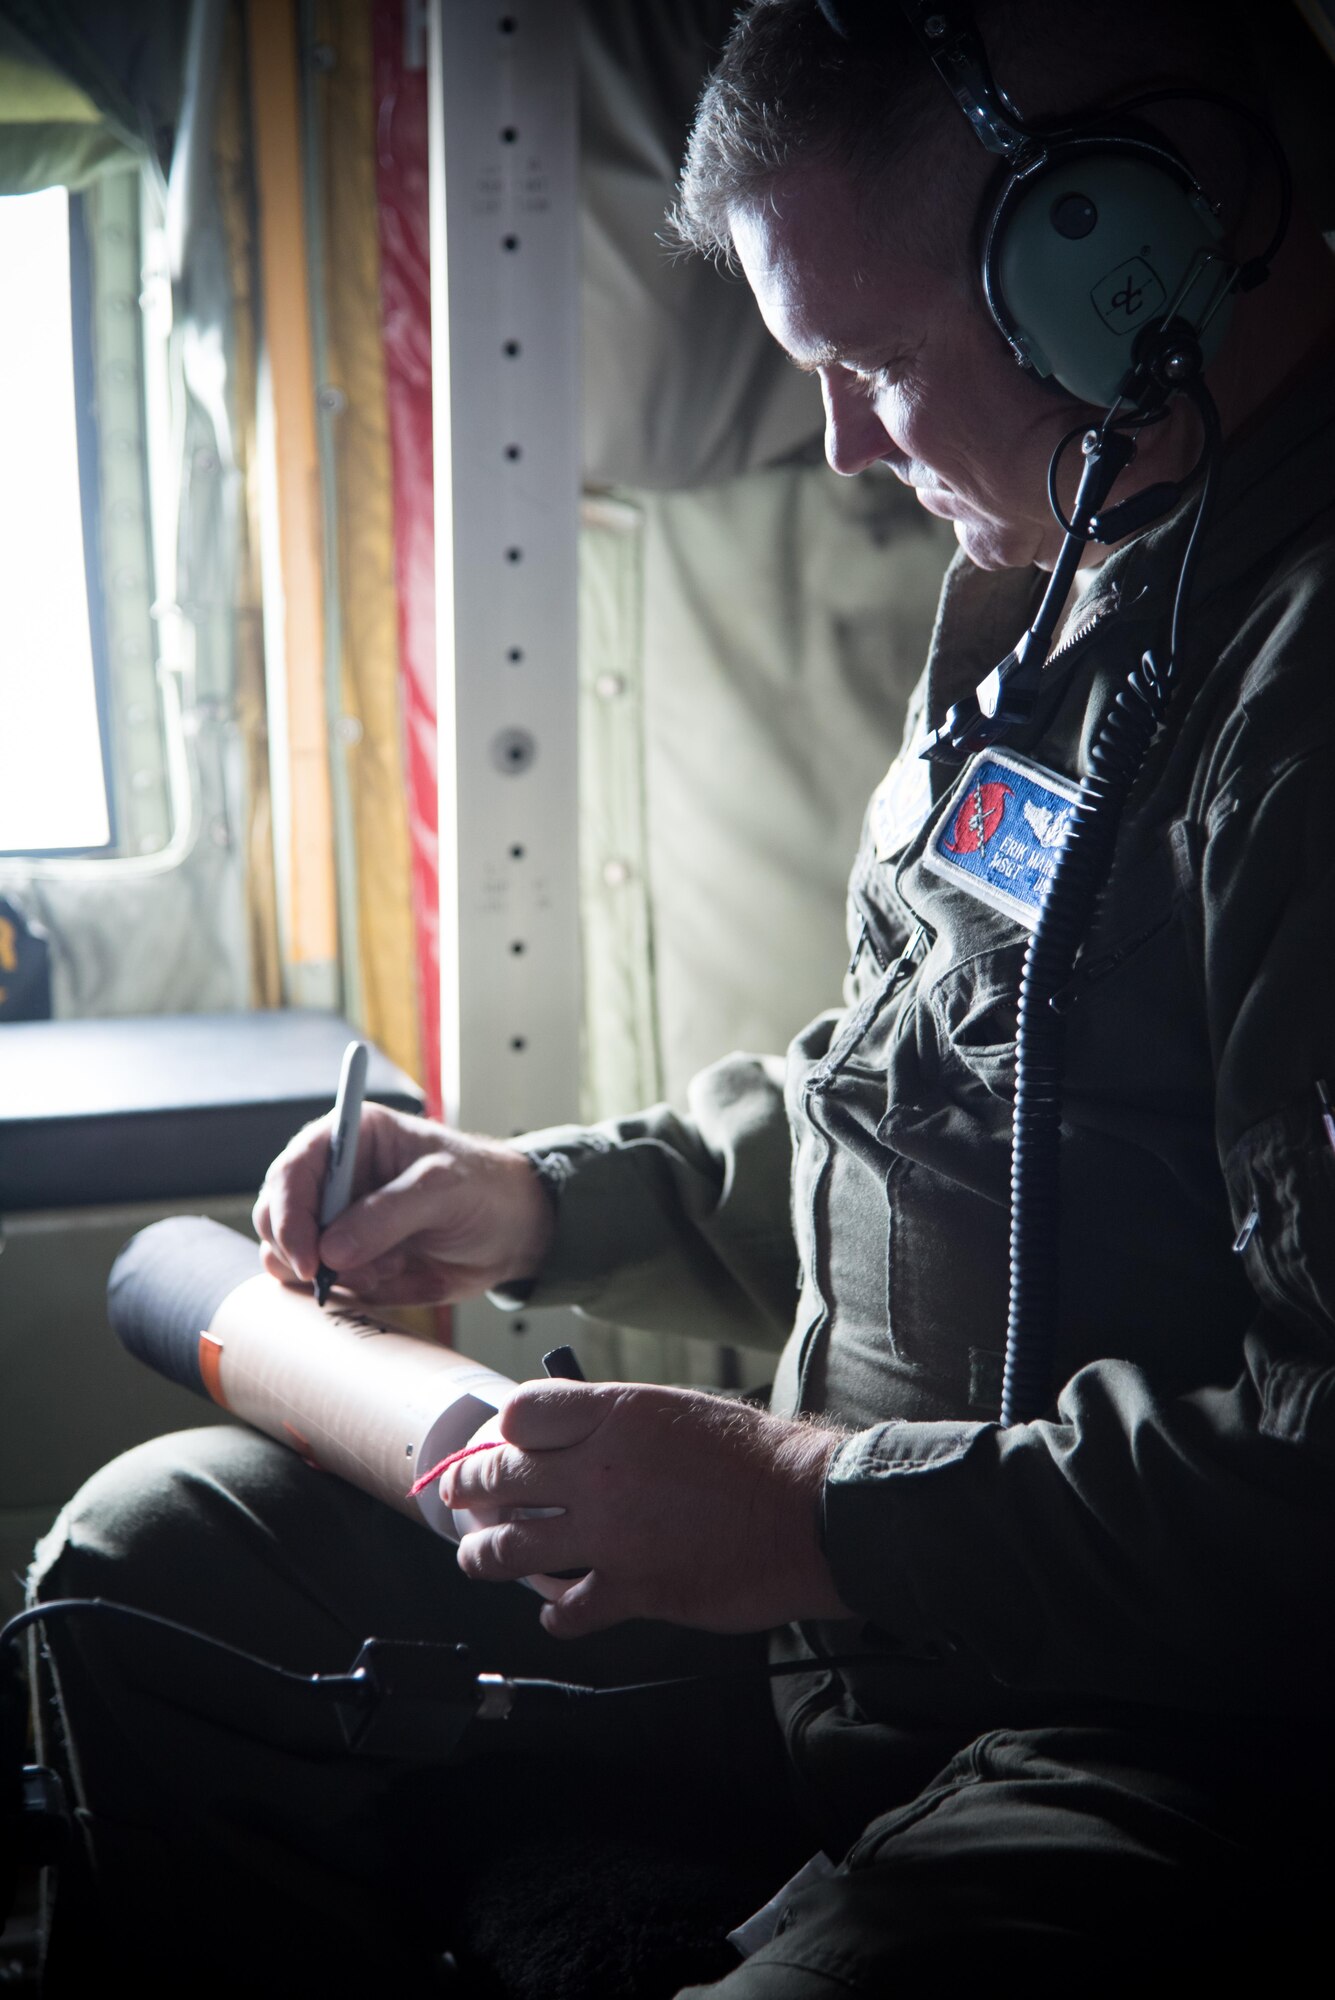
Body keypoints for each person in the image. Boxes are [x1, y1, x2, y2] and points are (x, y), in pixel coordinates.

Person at [29, 1, 1335, 1991]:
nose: (836, 445)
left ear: (1120, 250)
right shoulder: (1074, 549)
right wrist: (550, 1197)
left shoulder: (1295, 691)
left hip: (1149, 1720)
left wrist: (805, 1511)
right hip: (848, 1619)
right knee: (152, 1569)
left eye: (877, 362)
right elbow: (925, 1083)